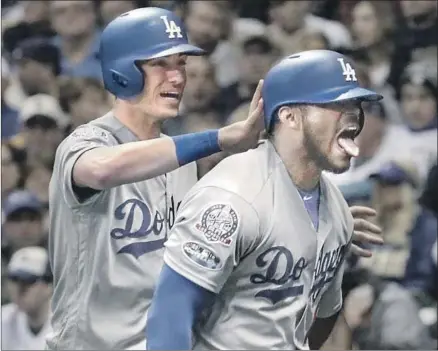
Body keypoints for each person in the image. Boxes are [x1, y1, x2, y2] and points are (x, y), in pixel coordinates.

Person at [46, 7, 264, 350]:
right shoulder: (87, 142)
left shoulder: (180, 159)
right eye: (161, 64)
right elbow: (101, 170)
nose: (177, 78)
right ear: (123, 72)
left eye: (182, 65)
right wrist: (217, 139)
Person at [146, 50, 384, 350]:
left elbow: (326, 324)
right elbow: (170, 319)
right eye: (337, 104)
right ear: (290, 116)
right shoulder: (232, 197)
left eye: (356, 104)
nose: (353, 115)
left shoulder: (335, 209)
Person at [1, 246, 53, 350]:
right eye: (15, 280)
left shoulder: (65, 325)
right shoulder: (3, 319)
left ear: (49, 286)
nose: (19, 289)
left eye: (28, 281)